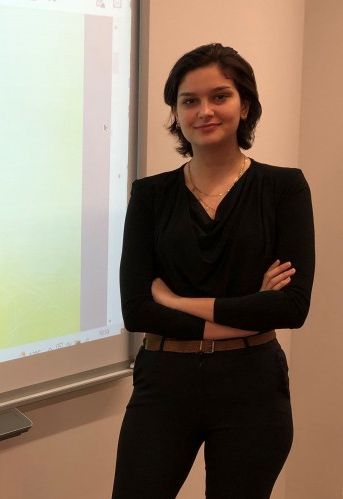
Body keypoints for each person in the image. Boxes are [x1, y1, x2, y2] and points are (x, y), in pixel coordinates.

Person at [112, 43, 314, 499]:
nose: (204, 111)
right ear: (177, 113)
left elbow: (292, 307)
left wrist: (175, 301)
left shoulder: (284, 188)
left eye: (219, 96)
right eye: (189, 100)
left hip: (252, 384)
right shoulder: (150, 195)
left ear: (245, 105)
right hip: (165, 380)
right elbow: (137, 310)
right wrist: (252, 307)